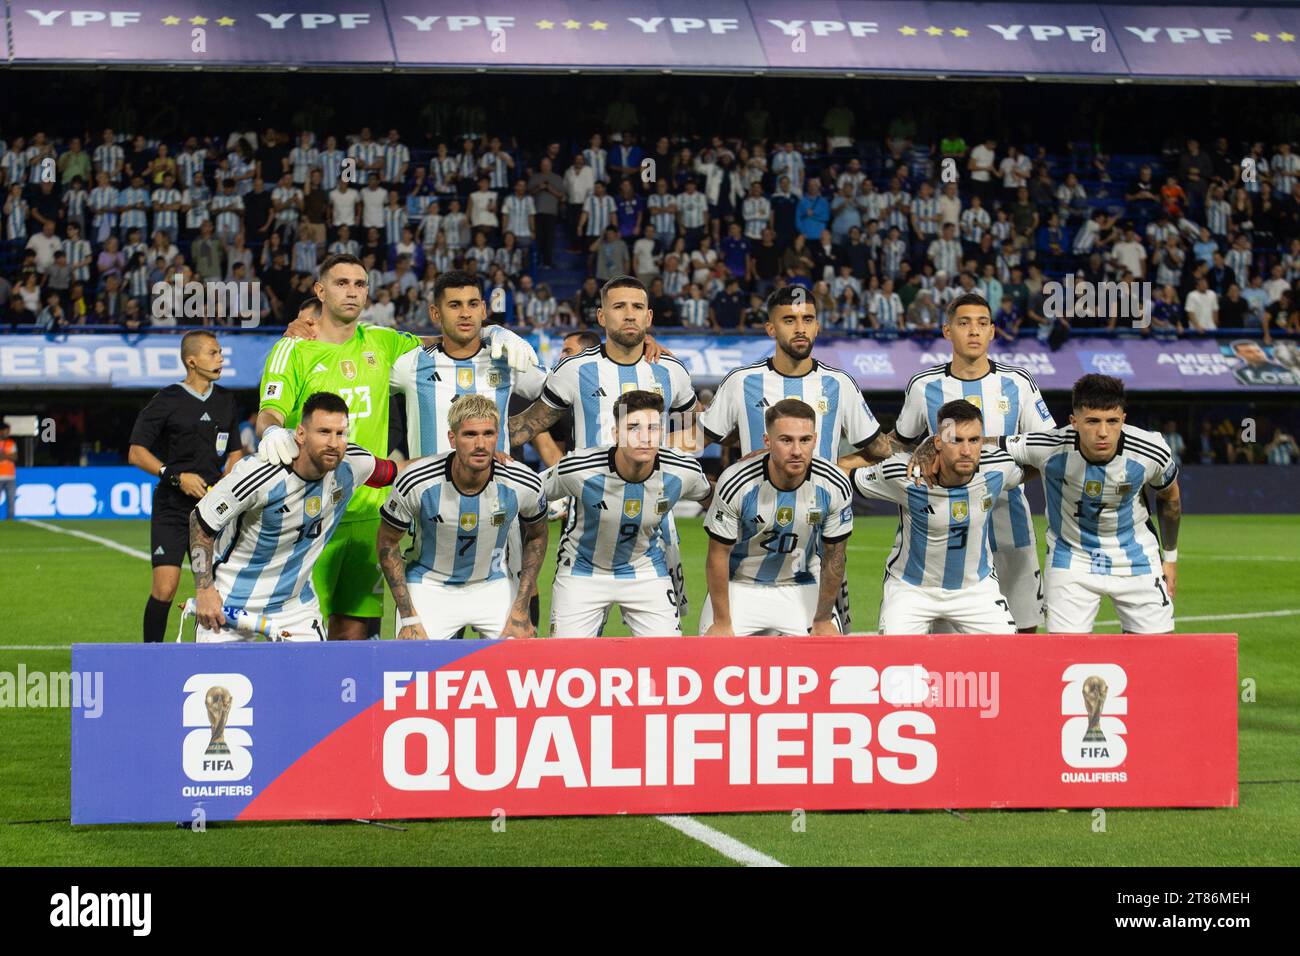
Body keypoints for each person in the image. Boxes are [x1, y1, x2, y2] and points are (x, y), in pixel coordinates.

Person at [254, 255, 536, 641]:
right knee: (297, 632)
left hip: (369, 507)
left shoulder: (382, 342)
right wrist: (271, 433)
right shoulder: (294, 348)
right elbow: (269, 412)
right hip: (308, 509)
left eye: (359, 284)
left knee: (358, 632)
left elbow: (448, 339)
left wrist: (494, 334)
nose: (352, 291)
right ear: (320, 291)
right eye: (341, 283)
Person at [851, 292, 1056, 632]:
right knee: (944, 642)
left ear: (992, 331)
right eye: (964, 324)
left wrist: (1005, 476)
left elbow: (1047, 447)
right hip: (941, 529)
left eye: (982, 324)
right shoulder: (924, 386)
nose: (974, 331)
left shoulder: (1018, 383)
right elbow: (897, 443)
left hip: (1009, 523)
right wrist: (851, 459)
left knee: (1023, 631)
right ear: (947, 331)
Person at [188, 392, 400, 642]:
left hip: (294, 607)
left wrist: (448, 463)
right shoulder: (260, 474)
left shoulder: (353, 463)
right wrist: (204, 590)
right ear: (300, 434)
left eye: (340, 433)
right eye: (323, 432)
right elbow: (200, 521)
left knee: (314, 680)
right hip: (230, 602)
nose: (334, 442)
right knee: (221, 682)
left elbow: (396, 472)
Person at [998, 374, 1182, 634]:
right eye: (1092, 421)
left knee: (1156, 655)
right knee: (1066, 656)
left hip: (1137, 559)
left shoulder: (1150, 450)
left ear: (1123, 420)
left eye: (1112, 421)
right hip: (1071, 560)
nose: (1103, 432)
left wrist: (1170, 559)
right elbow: (987, 444)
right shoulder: (1050, 445)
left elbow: (1170, 499)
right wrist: (933, 449)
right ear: (1074, 422)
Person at [377, 395, 547, 640]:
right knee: (414, 666)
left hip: (492, 584)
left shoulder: (522, 481)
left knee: (519, 662)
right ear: (452, 438)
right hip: (430, 585)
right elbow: (387, 542)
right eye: (470, 434)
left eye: (488, 434)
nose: (481, 444)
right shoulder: (417, 480)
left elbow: (538, 535)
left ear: (497, 437)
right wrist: (409, 617)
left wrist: (520, 607)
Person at [543, 390, 712, 637]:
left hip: (645, 569)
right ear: (616, 435)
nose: (644, 437)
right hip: (582, 570)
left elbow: (714, 498)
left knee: (668, 659)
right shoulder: (578, 469)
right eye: (633, 427)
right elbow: (531, 492)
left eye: (653, 428)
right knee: (567, 663)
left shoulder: (683, 470)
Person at [850, 400, 1024, 634]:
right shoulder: (904, 474)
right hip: (911, 589)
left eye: (974, 440)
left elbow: (1033, 466)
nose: (966, 451)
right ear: (938, 442)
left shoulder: (998, 467)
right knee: (893, 663)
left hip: (975, 589)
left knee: (1009, 659)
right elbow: (847, 476)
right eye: (956, 440)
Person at [127, 330, 244, 642]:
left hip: (213, 510)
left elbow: (235, 451)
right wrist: (177, 478)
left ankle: (208, 653)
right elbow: (136, 452)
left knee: (213, 588)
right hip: (172, 508)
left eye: (221, 353)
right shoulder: (166, 400)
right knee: (165, 588)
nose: (220, 359)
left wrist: (226, 483)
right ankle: (150, 655)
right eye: (213, 353)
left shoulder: (226, 401)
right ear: (192, 361)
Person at [701, 399, 854, 636]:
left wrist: (823, 619)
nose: (796, 450)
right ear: (767, 441)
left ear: (814, 439)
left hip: (802, 583)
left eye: (805, 440)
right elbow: (717, 555)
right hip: (740, 585)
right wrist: (722, 621)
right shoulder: (736, 481)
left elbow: (835, 556)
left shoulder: (833, 483)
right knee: (713, 655)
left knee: (828, 657)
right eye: (786, 440)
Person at [0, 421, 16, 519]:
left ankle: (11, 520)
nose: (8, 433)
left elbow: (15, 457)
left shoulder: (11, 443)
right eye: (6, 431)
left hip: (10, 476)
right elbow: (12, 456)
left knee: (11, 500)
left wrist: (4, 455)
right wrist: (8, 455)